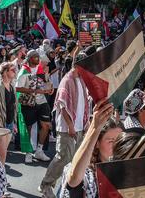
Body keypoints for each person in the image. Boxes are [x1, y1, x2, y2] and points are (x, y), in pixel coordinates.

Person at [39, 57, 90, 197]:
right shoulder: (67, 81)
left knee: (76, 159)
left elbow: (84, 104)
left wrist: (86, 123)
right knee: (63, 158)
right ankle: (46, 185)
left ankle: (66, 186)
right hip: (67, 128)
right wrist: (71, 126)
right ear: (79, 66)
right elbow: (62, 106)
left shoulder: (81, 80)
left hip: (79, 126)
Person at [58, 100, 119, 198]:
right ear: (97, 143)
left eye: (119, 140)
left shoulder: (124, 168)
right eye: (111, 141)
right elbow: (74, 178)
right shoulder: (86, 172)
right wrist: (95, 127)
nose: (116, 146)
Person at [15, 50, 53, 163]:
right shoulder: (24, 71)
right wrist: (34, 90)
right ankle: (28, 152)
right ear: (30, 58)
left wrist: (49, 89)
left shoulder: (41, 69)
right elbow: (17, 88)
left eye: (38, 57)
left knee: (46, 125)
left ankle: (39, 151)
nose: (38, 59)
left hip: (42, 101)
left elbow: (45, 82)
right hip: (29, 102)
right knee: (29, 127)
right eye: (35, 57)